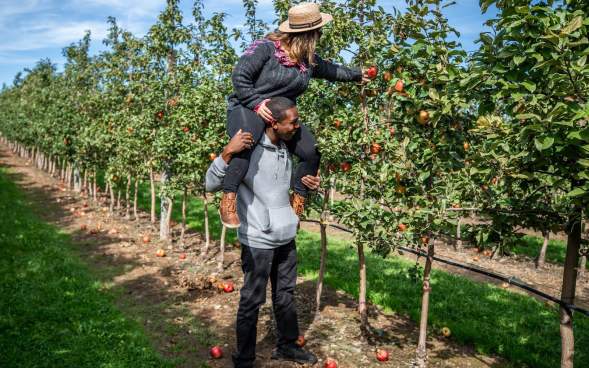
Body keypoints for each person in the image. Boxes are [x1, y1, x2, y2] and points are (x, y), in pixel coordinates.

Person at [220, 2, 374, 228]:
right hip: (248, 105)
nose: (321, 35)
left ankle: (297, 200)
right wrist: (255, 102)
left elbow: (332, 70)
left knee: (311, 152)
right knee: (245, 142)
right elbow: (240, 76)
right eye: (318, 31)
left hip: (283, 116)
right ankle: (228, 198)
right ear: (307, 34)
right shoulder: (265, 48)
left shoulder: (307, 59)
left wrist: (357, 75)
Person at [206, 97, 321, 368]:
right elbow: (210, 183)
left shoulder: (286, 150)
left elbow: (285, 190)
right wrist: (226, 152)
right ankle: (244, 359)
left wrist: (310, 185)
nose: (297, 126)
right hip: (258, 239)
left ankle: (288, 345)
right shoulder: (248, 151)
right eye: (292, 122)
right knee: (252, 300)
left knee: (285, 296)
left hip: (286, 236)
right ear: (273, 122)